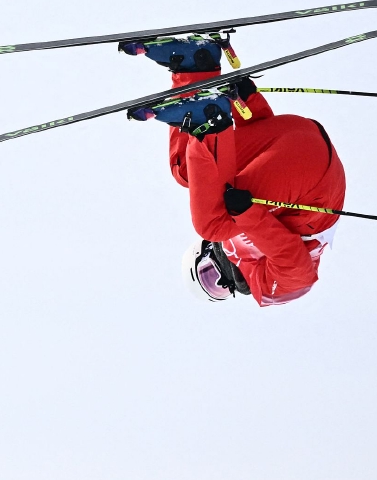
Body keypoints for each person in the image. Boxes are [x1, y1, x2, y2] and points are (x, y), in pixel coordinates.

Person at [119, 36, 345, 306]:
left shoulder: (234, 228)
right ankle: (208, 121)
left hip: (295, 138)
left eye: (208, 275)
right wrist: (247, 215)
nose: (223, 281)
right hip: (313, 183)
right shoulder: (268, 289)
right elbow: (296, 268)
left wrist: (245, 101)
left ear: (204, 253)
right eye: (218, 289)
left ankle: (195, 65)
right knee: (212, 225)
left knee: (185, 170)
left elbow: (266, 153)